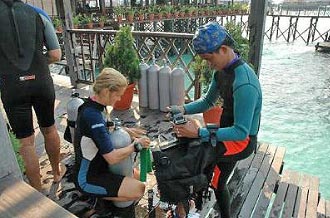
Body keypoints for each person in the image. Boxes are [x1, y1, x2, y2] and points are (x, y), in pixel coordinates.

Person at [168, 22, 262, 218]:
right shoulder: (221, 72)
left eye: (209, 59)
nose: (209, 65)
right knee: (218, 183)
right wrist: (182, 108)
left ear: (224, 49)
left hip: (241, 141)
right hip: (226, 132)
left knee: (193, 156)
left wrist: (200, 132)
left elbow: (241, 132)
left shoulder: (245, 82)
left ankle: (186, 207)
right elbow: (208, 101)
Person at [0, 0, 63, 192]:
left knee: (26, 141)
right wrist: (37, 64)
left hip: (11, 85)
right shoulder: (38, 13)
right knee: (50, 129)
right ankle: (57, 173)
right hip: (40, 81)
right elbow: (55, 54)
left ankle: (37, 189)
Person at [74, 68, 150, 208]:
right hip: (88, 178)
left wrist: (127, 131)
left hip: (101, 165)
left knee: (138, 177)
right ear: (107, 91)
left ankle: (111, 192)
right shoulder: (93, 116)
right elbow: (112, 158)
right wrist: (136, 145)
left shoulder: (94, 105)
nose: (120, 99)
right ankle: (92, 197)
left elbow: (104, 127)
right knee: (139, 190)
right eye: (118, 95)